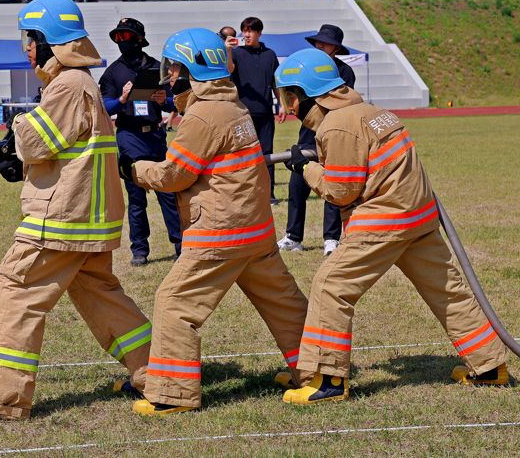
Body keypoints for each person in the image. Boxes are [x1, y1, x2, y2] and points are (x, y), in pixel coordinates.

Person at [274, 48, 510, 405]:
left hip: (383, 220)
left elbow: (341, 191)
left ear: (309, 94)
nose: (289, 107)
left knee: (330, 286)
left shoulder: (337, 125)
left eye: (290, 97)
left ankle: (328, 381)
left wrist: (305, 169)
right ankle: (490, 366)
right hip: (418, 217)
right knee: (449, 293)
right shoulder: (374, 112)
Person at [0, 0, 152, 422]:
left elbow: (35, 141)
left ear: (50, 42)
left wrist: (17, 138)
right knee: (102, 298)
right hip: (87, 220)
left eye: (31, 40)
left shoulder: (68, 85)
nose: (26, 49)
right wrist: (22, 156)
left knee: (15, 292)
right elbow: (57, 147)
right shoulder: (79, 83)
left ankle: (3, 401)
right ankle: (157, 373)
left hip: (63, 219)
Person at [122, 28, 311, 416]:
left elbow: (176, 176)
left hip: (219, 233)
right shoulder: (233, 104)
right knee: (285, 305)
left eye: (173, 68)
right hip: (255, 230)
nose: (169, 75)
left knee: (173, 304)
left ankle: (172, 393)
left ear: (190, 70)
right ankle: (315, 371)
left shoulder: (203, 115)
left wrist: (135, 169)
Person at [99, 18, 182, 266]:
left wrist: (161, 100)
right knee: (136, 196)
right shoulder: (113, 72)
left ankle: (180, 245)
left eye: (126, 36)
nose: (121, 41)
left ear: (138, 39)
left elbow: (174, 101)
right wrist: (122, 99)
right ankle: (140, 250)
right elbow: (104, 106)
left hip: (155, 136)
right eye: (118, 37)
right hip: (129, 136)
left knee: (168, 192)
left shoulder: (157, 67)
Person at [278, 25, 353, 256]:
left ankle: (331, 239)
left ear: (336, 48)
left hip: (333, 136)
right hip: (307, 136)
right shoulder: (305, 68)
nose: (320, 46)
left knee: (331, 187)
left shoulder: (345, 72)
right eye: (318, 43)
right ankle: (293, 236)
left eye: (325, 43)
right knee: (296, 186)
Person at [225, 17, 285, 205]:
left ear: (259, 33)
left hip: (266, 113)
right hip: (242, 113)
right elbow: (228, 70)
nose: (247, 34)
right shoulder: (237, 53)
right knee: (243, 154)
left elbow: (276, 82)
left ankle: (269, 194)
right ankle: (245, 194)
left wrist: (282, 103)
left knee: (267, 153)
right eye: (244, 30)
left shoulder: (270, 54)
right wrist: (228, 50)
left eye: (251, 31)